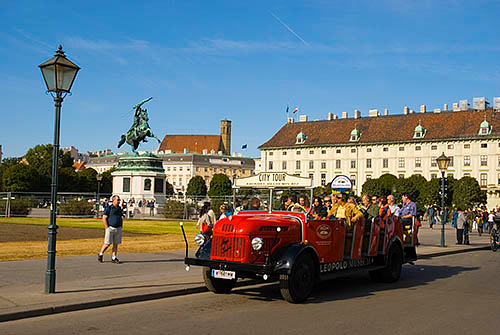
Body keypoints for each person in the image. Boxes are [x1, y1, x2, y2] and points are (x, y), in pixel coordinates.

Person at [98, 195, 124, 264]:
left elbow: (121, 217)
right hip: (110, 228)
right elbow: (104, 218)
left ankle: (114, 257)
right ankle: (101, 254)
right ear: (113, 200)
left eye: (119, 200)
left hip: (118, 228)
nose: (119, 201)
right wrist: (107, 227)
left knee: (116, 244)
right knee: (107, 243)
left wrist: (121, 226)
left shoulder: (119, 208)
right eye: (117, 200)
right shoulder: (109, 208)